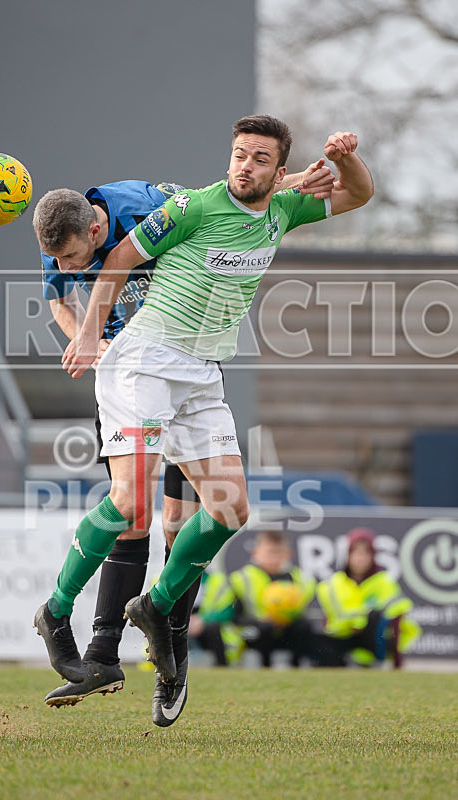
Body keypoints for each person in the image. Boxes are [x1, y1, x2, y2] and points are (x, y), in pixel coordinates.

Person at [40, 114, 374, 725]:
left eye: (259, 158)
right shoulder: (190, 207)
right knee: (134, 506)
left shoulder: (282, 211)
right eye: (239, 154)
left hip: (202, 374)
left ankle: (157, 607)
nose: (245, 165)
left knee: (230, 509)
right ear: (230, 158)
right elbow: (114, 261)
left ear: (277, 170)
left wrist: (344, 157)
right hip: (142, 363)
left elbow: (358, 193)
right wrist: (90, 335)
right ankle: (57, 611)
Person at [190, 530, 382, 668]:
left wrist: (289, 616)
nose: (274, 558)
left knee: (304, 626)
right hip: (254, 630)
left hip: (285, 630)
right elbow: (236, 615)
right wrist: (260, 620)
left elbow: (302, 610)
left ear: (287, 555)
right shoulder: (242, 579)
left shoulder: (296, 578)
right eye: (269, 553)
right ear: (256, 554)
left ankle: (296, 666)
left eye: (278, 553)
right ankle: (264, 667)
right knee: (263, 629)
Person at [317, 528, 421, 667]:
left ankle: (371, 661)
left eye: (366, 553)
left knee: (376, 618)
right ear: (348, 555)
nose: (360, 558)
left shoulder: (384, 583)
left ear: (373, 556)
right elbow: (328, 621)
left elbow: (396, 620)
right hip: (342, 641)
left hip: (372, 643)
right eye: (356, 552)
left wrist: (397, 662)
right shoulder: (333, 584)